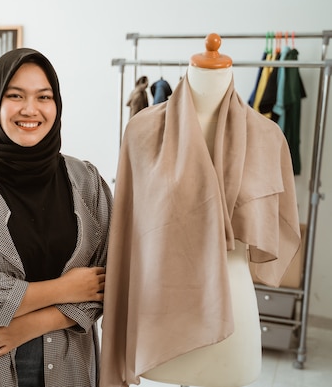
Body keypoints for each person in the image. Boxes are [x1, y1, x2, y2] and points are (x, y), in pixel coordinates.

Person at [100, 34, 301, 387]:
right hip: (161, 308)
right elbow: (127, 236)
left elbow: (277, 229)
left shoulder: (269, 137)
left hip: (234, 318)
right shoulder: (142, 132)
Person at [0, 48, 113, 387]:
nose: (31, 109)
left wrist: (28, 325)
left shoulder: (87, 181)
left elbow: (106, 284)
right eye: (16, 96)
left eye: (44, 96)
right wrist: (63, 288)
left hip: (72, 363)